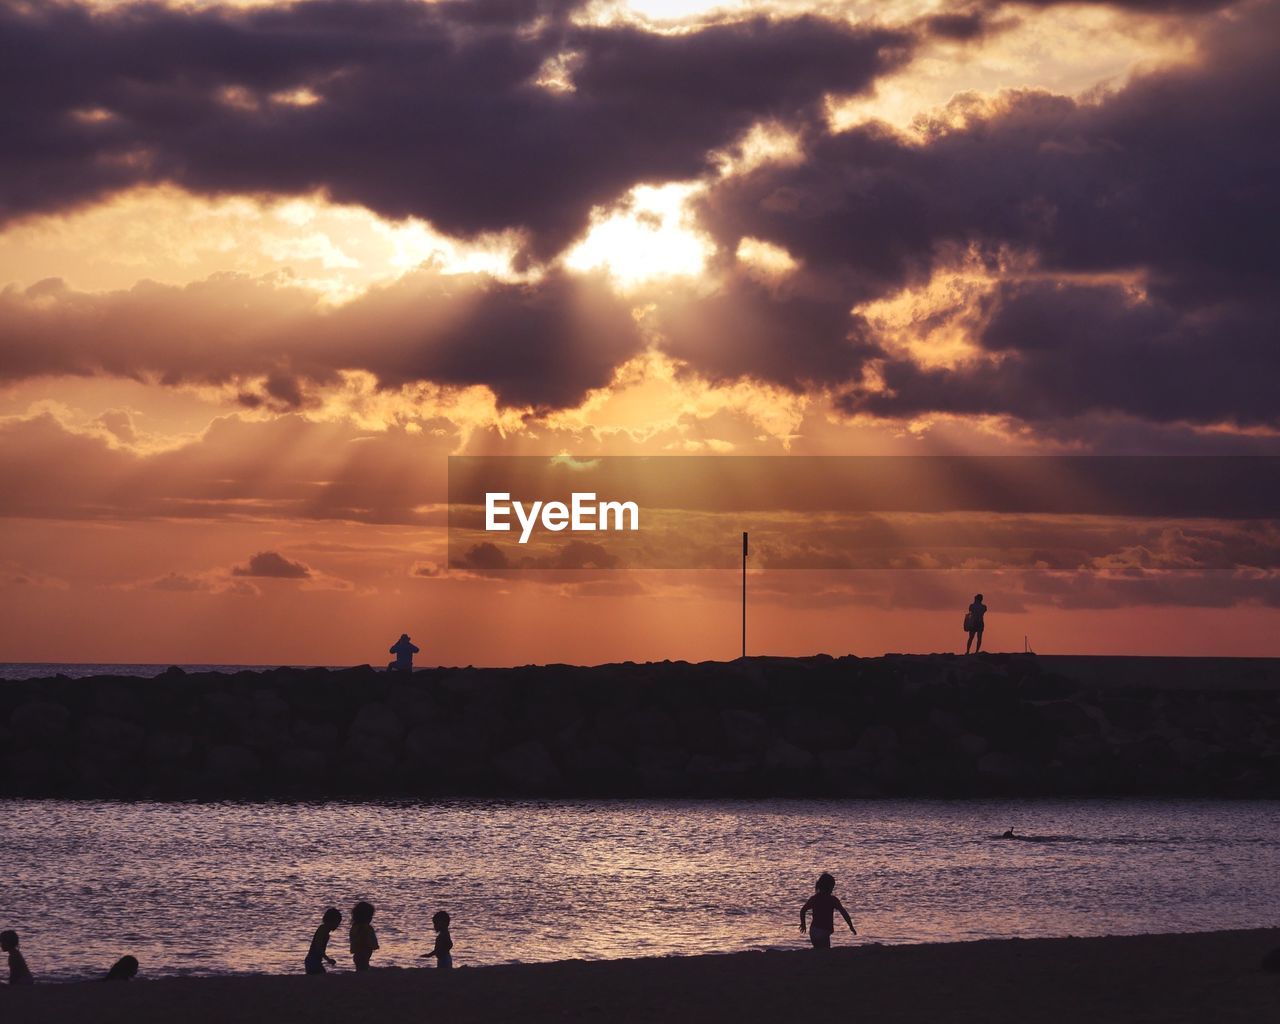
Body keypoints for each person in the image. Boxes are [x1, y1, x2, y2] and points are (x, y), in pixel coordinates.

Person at [799, 873, 855, 949]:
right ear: (829, 887)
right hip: (823, 932)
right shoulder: (832, 900)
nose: (832, 890)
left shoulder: (814, 898)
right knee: (825, 950)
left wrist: (803, 924)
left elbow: (803, 910)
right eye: (832, 887)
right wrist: (851, 926)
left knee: (818, 950)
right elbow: (844, 913)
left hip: (813, 931)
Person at [305, 908, 342, 975]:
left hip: (316, 961)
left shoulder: (325, 931)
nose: (337, 926)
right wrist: (328, 959)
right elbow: (318, 947)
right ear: (331, 921)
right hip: (312, 961)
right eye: (337, 923)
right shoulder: (323, 930)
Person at [350, 901, 379, 971]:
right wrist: (374, 945)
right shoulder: (365, 928)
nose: (371, 918)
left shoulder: (354, 927)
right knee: (363, 968)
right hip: (363, 953)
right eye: (370, 916)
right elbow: (366, 939)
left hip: (358, 954)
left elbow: (353, 939)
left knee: (361, 968)